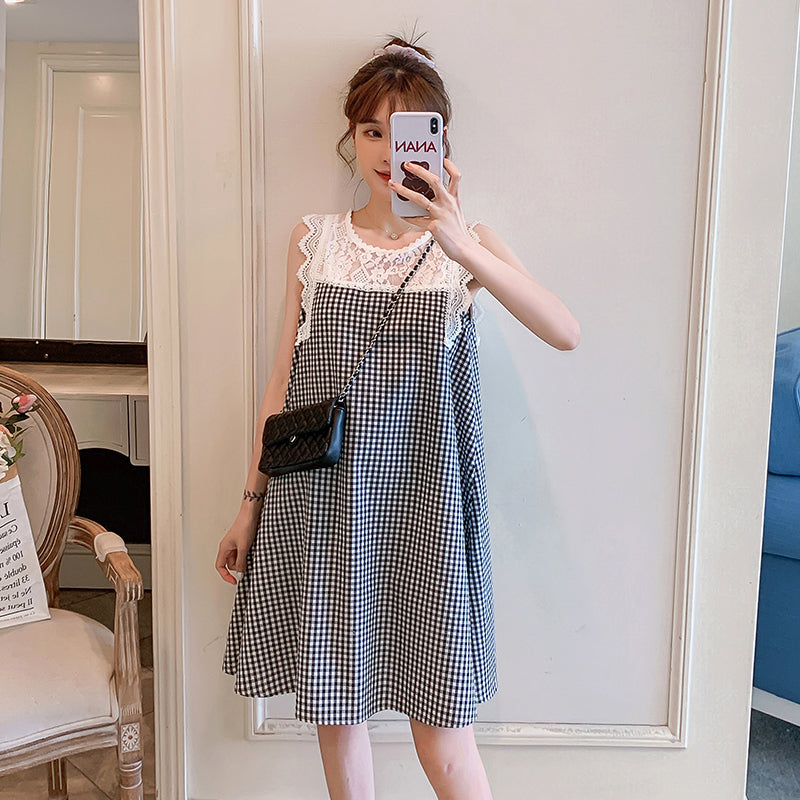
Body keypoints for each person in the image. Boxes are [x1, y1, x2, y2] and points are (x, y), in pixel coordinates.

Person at [215, 35, 580, 800]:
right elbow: (282, 381)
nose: (387, 151)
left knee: (445, 743)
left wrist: (460, 244)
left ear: (438, 142)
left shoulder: (468, 246)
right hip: (322, 505)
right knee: (339, 720)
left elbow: (563, 330)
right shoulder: (314, 241)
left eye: (407, 131)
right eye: (371, 130)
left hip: (425, 511)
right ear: (351, 137)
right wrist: (249, 505)